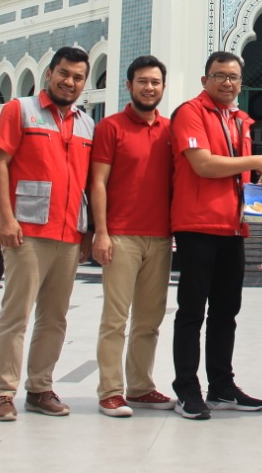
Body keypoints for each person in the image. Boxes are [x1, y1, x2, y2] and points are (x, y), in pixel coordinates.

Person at [169, 51, 262, 420]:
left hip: (233, 227)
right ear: (205, 81)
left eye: (233, 77)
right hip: (198, 226)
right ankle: (187, 388)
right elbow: (202, 164)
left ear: (241, 83)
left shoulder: (239, 121)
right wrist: (255, 162)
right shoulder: (190, 113)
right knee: (191, 311)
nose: (227, 82)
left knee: (225, 312)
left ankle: (221, 385)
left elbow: (240, 177)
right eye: (219, 75)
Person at [0, 46, 95, 422]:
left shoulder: (86, 123)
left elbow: (84, 184)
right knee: (16, 314)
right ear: (49, 74)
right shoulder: (21, 110)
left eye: (78, 77)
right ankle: (3, 392)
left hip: (68, 233)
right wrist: (6, 218)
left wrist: (86, 231)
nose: (70, 81)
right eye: (64, 73)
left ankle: (40, 387)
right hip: (26, 231)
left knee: (55, 317)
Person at [89, 55, 176, 417]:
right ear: (129, 85)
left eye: (155, 82)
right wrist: (101, 233)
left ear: (163, 87)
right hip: (121, 236)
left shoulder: (171, 130)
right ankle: (111, 390)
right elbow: (98, 182)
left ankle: (140, 386)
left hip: (160, 237)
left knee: (149, 319)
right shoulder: (110, 128)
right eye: (142, 81)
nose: (149, 87)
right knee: (115, 319)